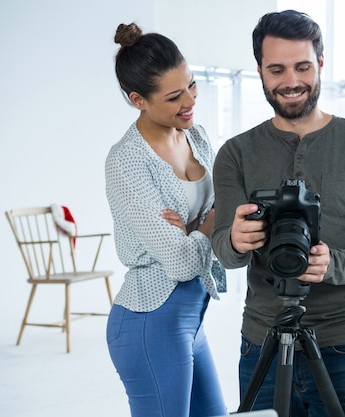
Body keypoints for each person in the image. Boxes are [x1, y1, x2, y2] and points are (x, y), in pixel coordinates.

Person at [211, 10, 345, 417]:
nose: (291, 82)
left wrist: (332, 263)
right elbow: (225, 254)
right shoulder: (235, 153)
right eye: (276, 69)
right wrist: (234, 240)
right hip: (261, 338)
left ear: (321, 64)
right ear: (260, 70)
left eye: (302, 67)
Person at [104, 22, 227, 417]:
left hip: (191, 321)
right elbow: (181, 261)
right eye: (174, 96)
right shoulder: (126, 161)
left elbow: (226, 204)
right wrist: (208, 222)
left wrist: (194, 230)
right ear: (138, 99)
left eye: (192, 86)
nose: (190, 100)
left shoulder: (197, 135)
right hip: (148, 322)